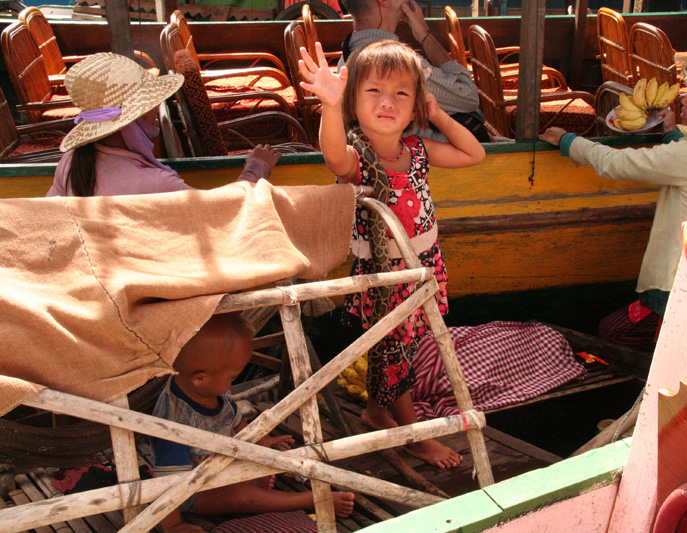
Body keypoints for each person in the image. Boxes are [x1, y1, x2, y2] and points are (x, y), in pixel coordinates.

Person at [298, 39, 485, 468]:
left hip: (424, 267)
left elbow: (474, 153)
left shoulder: (418, 150)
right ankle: (413, 435)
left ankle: (375, 411)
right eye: (374, 91)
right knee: (396, 353)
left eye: (402, 93)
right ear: (353, 102)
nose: (388, 101)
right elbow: (333, 156)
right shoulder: (356, 159)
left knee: (400, 348)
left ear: (416, 104)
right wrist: (330, 105)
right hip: (386, 277)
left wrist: (437, 115)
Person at [541, 46, 687, 350]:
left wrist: (568, 140)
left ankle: (655, 369)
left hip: (676, 281)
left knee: (614, 331)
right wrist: (672, 134)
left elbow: (617, 163)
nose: (684, 99)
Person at [151, 313, 356, 533]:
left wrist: (263, 440)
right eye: (232, 378)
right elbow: (167, 483)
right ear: (200, 378)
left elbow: (235, 421)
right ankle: (312, 499)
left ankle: (260, 484)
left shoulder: (209, 390)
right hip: (194, 491)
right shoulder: (173, 423)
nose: (232, 382)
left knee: (276, 457)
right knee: (242, 497)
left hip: (224, 466)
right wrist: (174, 525)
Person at [46, 52, 280, 198]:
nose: (156, 113)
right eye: (149, 106)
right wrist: (256, 168)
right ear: (130, 122)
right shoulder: (157, 183)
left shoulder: (70, 163)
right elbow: (224, 211)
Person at [339, 0, 489, 142]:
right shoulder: (394, 63)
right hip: (431, 154)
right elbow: (468, 96)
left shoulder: (350, 49)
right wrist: (425, 35)